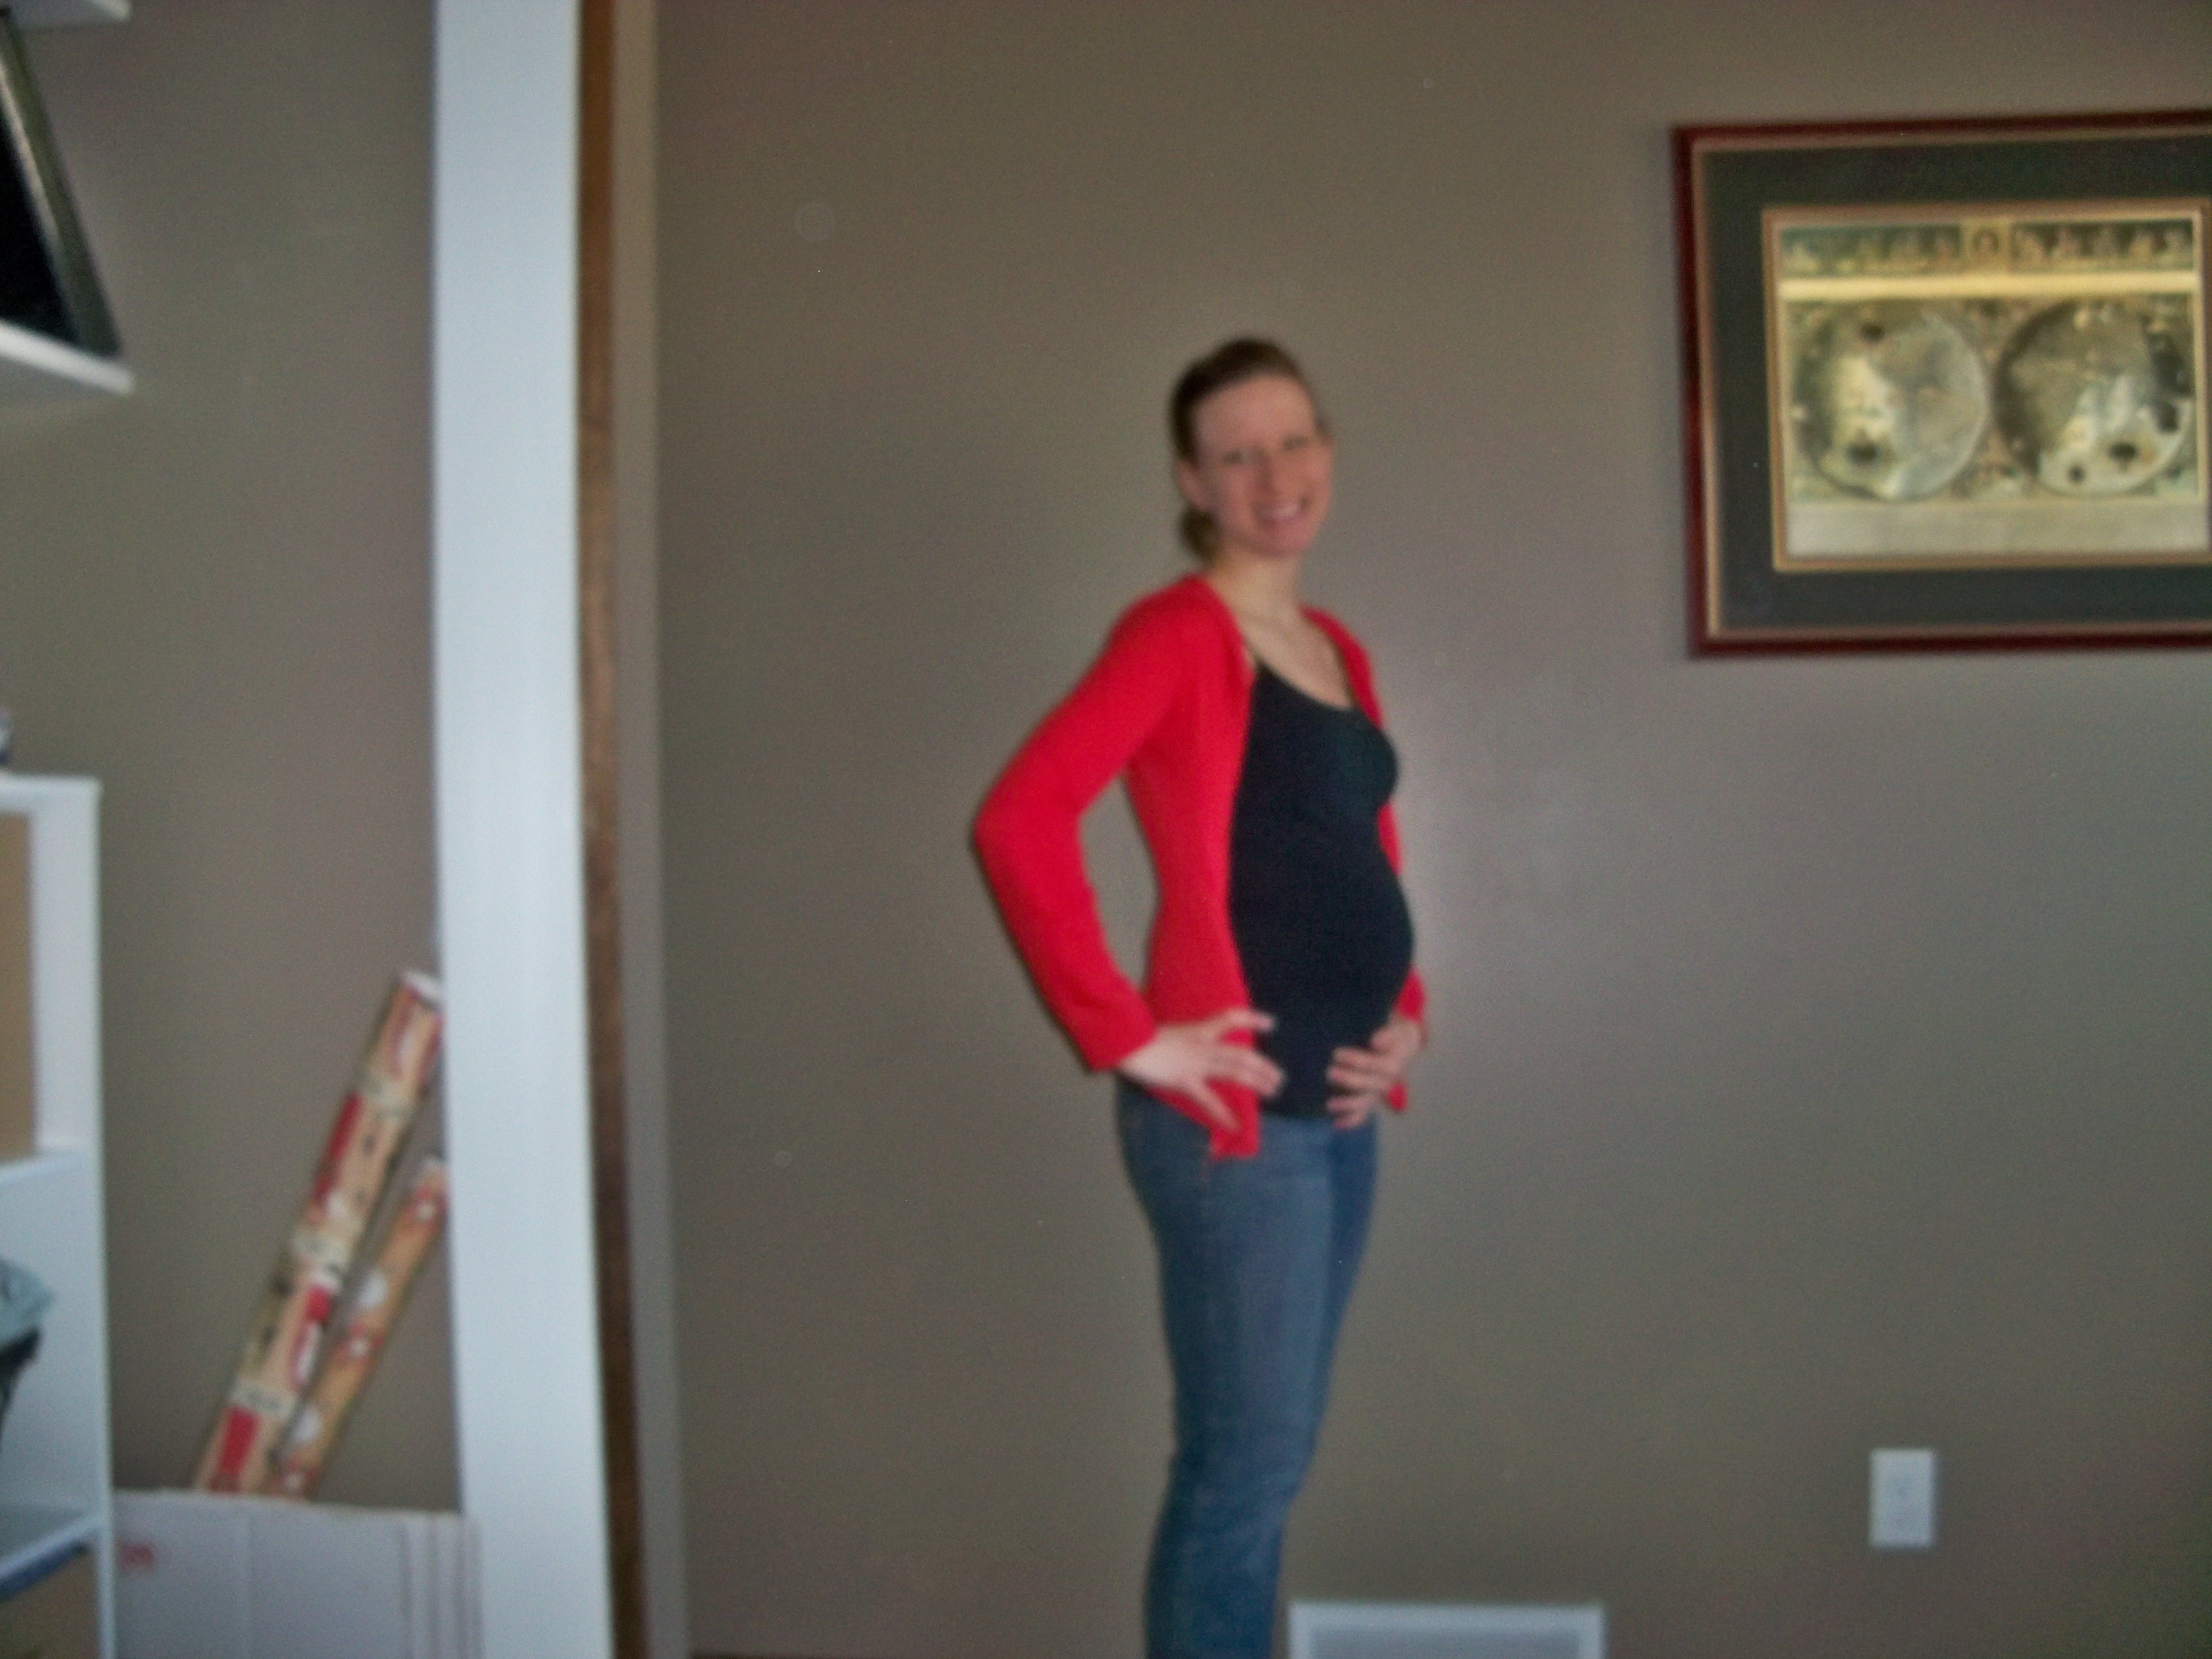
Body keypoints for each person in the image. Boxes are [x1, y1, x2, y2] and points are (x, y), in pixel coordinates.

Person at [973, 337, 1426, 1659]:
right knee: (1240, 1472)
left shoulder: (1333, 647)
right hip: (1236, 1127)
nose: (1273, 476)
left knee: (1267, 1465)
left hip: (1334, 1113)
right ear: (1193, 482)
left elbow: (1355, 851)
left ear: (1326, 451)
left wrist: (1403, 1012)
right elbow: (1018, 820)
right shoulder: (1175, 634)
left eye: (1291, 442)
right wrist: (1125, 1035)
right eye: (1236, 455)